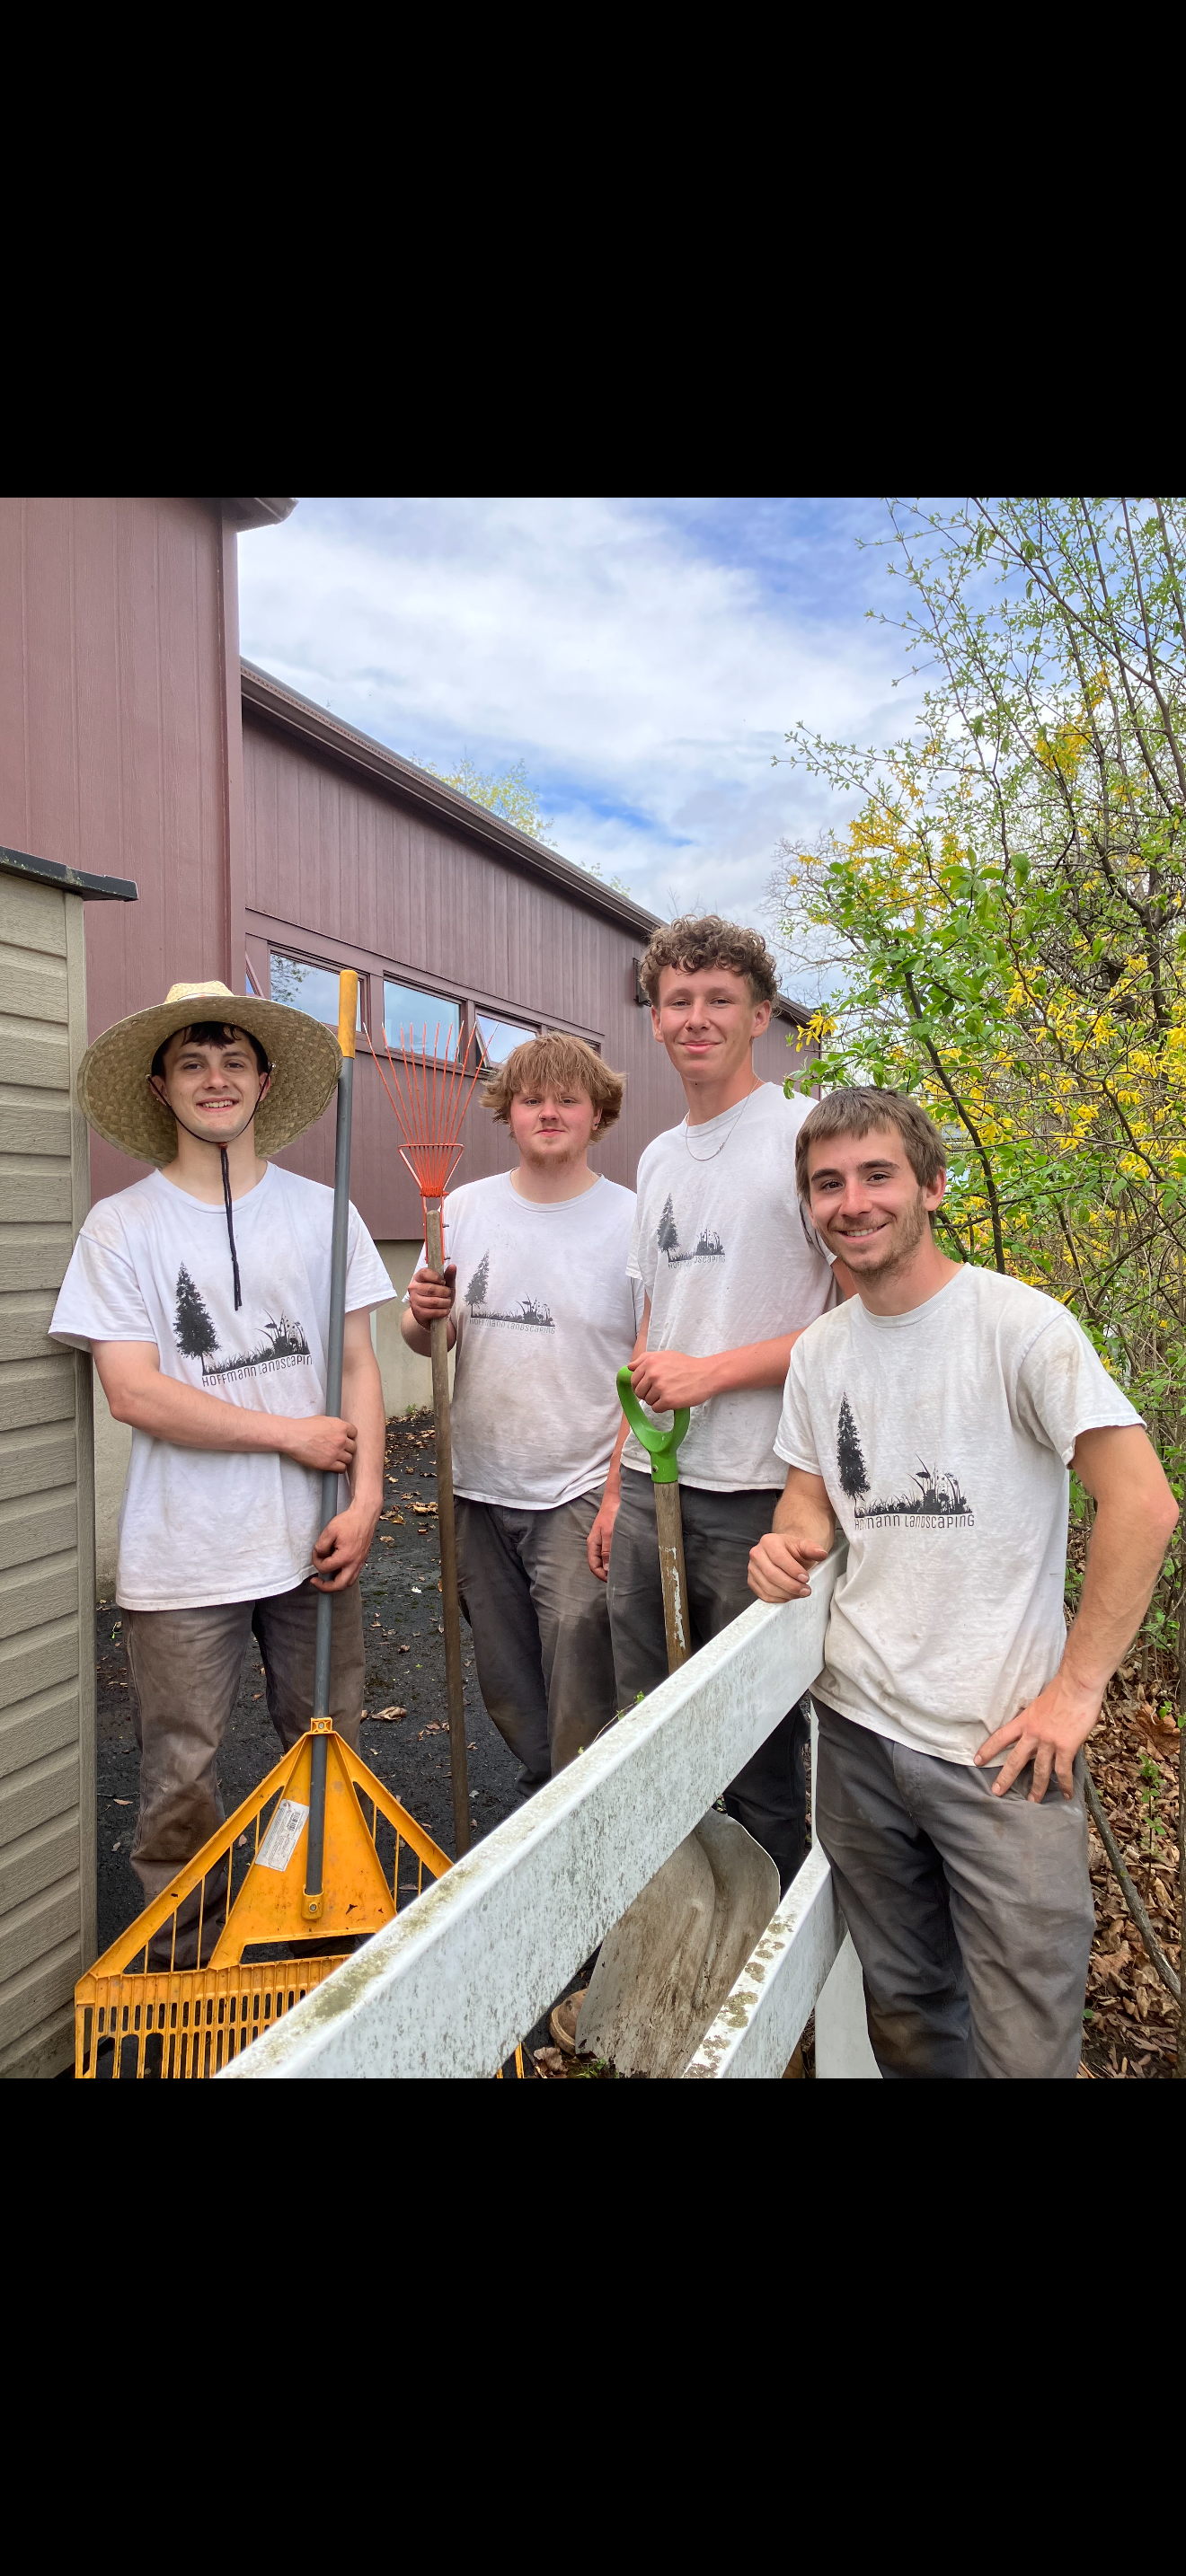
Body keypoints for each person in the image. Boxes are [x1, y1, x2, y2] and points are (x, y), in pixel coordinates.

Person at [748, 1085, 1179, 2078]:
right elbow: (812, 1503)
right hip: (857, 1737)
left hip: (1002, 1753)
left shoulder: (1019, 1328)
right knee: (906, 2016)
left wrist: (1077, 1693)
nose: (851, 1202)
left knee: (1027, 2042)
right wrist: (785, 1543)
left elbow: (1144, 1504)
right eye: (826, 1184)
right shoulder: (821, 1353)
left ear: (932, 1186)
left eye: (876, 1175)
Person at [50, 978, 395, 1963]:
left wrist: (368, 1496)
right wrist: (290, 1436)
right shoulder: (124, 1228)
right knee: (182, 1779)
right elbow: (135, 1392)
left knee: (326, 1753)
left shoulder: (325, 1211)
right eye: (192, 1063)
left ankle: (322, 1943)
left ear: (265, 1080)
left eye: (232, 1061)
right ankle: (181, 1966)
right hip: (185, 1550)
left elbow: (361, 1364)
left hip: (315, 1539)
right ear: (161, 1087)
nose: (214, 1079)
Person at [600, 917, 842, 1892]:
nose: (696, 1019)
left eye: (719, 1000)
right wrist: (618, 1476)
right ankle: (669, 1923)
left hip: (755, 1490)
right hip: (651, 1480)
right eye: (678, 1002)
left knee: (754, 1738)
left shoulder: (805, 1136)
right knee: (646, 1721)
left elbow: (852, 1320)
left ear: (760, 1015)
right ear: (655, 1019)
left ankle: (759, 1975)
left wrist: (714, 1374)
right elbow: (654, 1325)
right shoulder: (657, 1157)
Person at [402, 1032, 642, 1794]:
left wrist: (616, 1493)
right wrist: (422, 1312)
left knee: (580, 1659)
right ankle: (546, 1787)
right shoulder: (464, 1210)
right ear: (507, 1112)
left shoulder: (629, 1220)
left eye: (568, 1099)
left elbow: (644, 1363)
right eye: (532, 1099)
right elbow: (423, 1341)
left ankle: (584, 1810)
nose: (549, 1112)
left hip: (577, 1484)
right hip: (477, 1481)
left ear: (598, 1111)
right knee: (505, 1675)